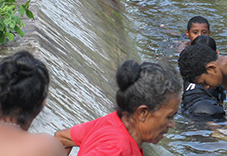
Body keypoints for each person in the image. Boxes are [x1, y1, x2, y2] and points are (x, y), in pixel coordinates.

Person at [54, 60, 182, 155]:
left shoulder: (110, 122)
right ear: (142, 113)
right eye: (169, 116)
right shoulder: (115, 149)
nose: (172, 124)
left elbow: (61, 138)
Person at [181, 35, 227, 120]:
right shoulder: (218, 73)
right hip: (210, 107)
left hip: (188, 107)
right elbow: (220, 102)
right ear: (216, 54)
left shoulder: (188, 72)